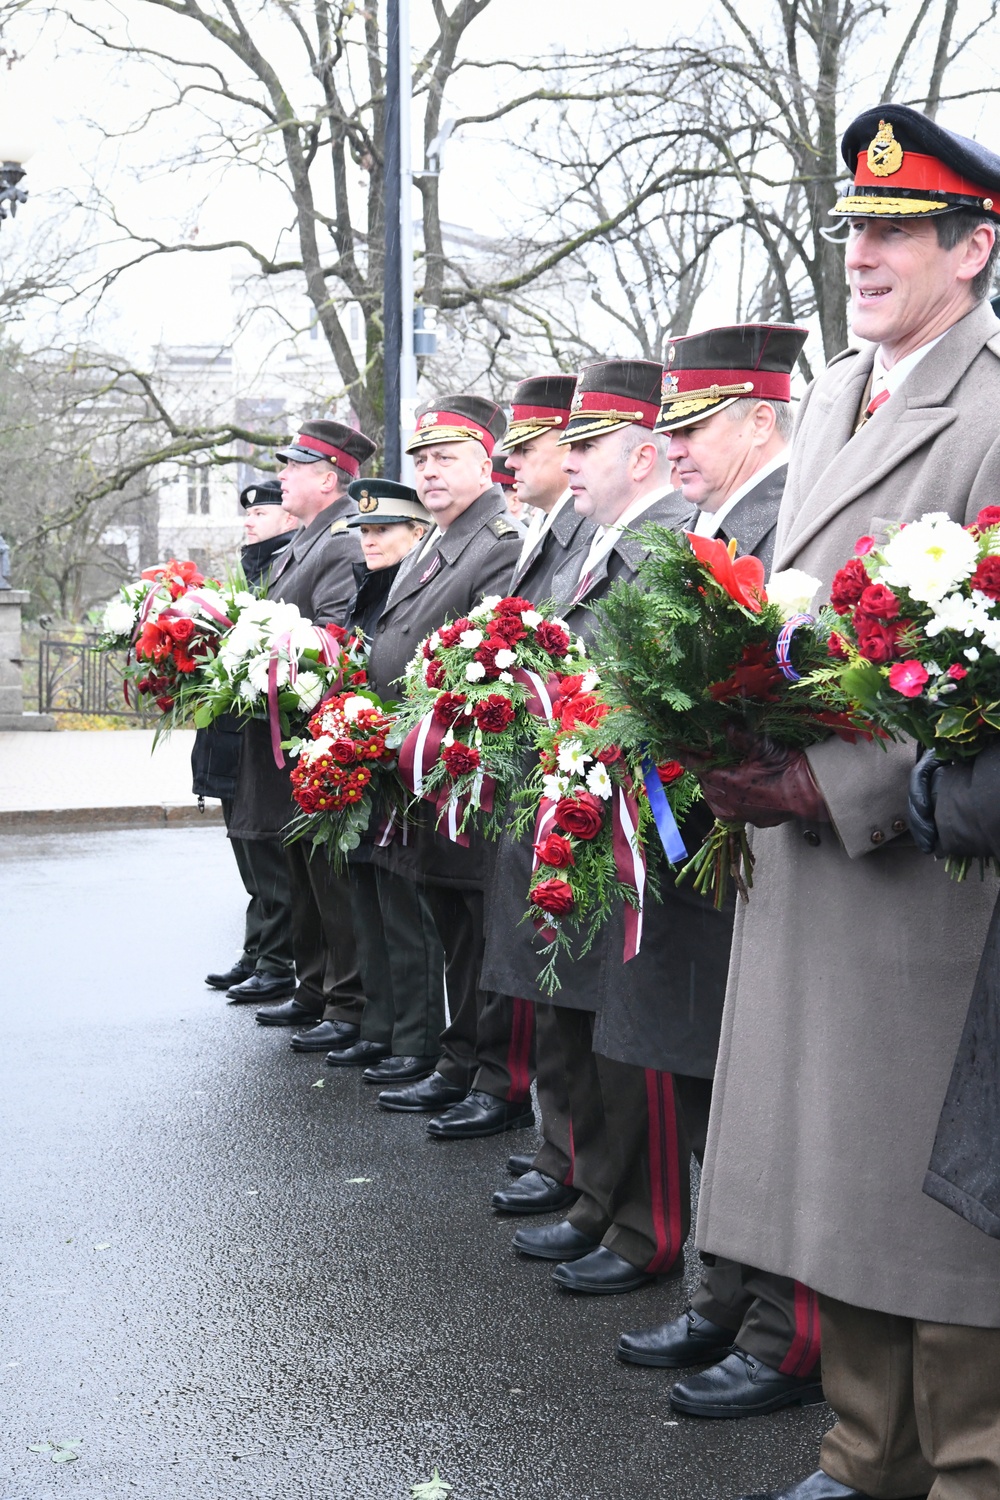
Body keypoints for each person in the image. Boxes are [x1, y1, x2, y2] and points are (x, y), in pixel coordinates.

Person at [686, 106, 1000, 1500]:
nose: (863, 256)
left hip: (919, 867)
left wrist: (839, 779)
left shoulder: (991, 408)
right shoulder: (834, 395)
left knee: (925, 1199)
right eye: (854, 232)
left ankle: (969, 1464)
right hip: (804, 851)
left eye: (894, 232)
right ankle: (866, 1450)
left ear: (974, 249)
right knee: (835, 1172)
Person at [611, 325, 825, 1420]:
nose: (675, 448)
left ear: (760, 420)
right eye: (671, 429)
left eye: (695, 428)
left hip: (752, 837)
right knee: (711, 1082)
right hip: (694, 839)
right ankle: (726, 1293)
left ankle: (785, 1327)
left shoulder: (783, 518)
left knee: (765, 1091)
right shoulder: (709, 522)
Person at [482, 358, 716, 1296]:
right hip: (567, 798)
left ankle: (644, 1225)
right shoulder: (590, 537)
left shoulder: (661, 540)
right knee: (583, 1016)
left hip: (629, 818)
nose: (568, 460)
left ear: (645, 451)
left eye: (589, 444)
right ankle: (599, 1199)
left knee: (631, 1030)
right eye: (568, 443)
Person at [365, 396, 533, 1139]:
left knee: (482, 928)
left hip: (469, 769)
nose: (429, 472)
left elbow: (483, 661)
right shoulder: (436, 541)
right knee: (452, 920)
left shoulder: (494, 540)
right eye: (422, 460)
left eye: (446, 458)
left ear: (486, 460)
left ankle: (496, 1077)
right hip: (422, 770)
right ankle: (460, 1058)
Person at [225, 420, 377, 1061]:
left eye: (293, 467)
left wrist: (275, 655)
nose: (280, 476)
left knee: (330, 882)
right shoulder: (307, 539)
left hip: (314, 735)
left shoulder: (340, 542)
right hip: (286, 734)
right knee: (307, 875)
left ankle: (345, 1002)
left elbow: (336, 638)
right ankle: (315, 988)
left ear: (326, 478)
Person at [480, 374, 596, 1214]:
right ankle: (562, 1153)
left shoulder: (589, 531)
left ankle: (586, 1170)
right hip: (538, 785)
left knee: (578, 995)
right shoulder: (549, 532)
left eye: (528, 445)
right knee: (552, 989)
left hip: (581, 790)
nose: (509, 460)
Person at [325, 478, 449, 1083]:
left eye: (382, 530)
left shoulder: (417, 584)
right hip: (363, 756)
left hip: (404, 759)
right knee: (367, 895)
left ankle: (416, 1039)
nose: (369, 540)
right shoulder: (371, 585)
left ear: (417, 533)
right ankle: (379, 1026)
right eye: (364, 530)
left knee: (406, 908)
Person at [201, 479, 300, 1002]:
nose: (249, 521)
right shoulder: (253, 568)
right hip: (232, 737)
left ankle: (276, 958)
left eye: (260, 513)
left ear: (287, 518)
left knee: (267, 849)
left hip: (264, 736)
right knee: (247, 847)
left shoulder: (286, 564)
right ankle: (260, 948)